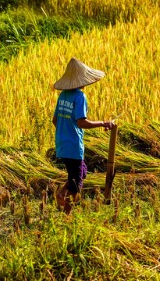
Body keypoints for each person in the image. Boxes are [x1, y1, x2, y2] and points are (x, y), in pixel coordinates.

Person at [52, 57, 113, 214]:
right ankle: (67, 213)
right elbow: (81, 123)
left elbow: (55, 120)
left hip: (62, 144)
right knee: (77, 183)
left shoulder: (63, 95)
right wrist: (102, 123)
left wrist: (64, 132)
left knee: (81, 172)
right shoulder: (80, 97)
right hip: (73, 145)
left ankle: (62, 196)